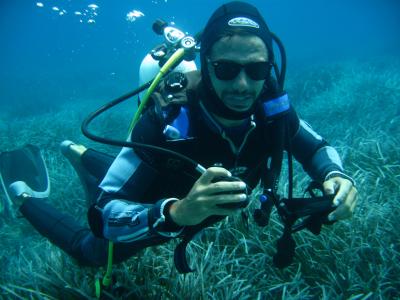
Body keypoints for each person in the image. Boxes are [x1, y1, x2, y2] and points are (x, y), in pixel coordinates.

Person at [3, 1, 357, 270]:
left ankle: (77, 153)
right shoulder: (169, 122)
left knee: (122, 175)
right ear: (206, 65)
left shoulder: (273, 109)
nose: (243, 84)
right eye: (226, 68)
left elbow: (316, 149)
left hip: (176, 195)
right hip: (160, 204)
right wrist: (176, 213)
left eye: (257, 69)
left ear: (270, 69)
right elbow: (102, 215)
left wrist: (336, 177)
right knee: (93, 255)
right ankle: (23, 197)